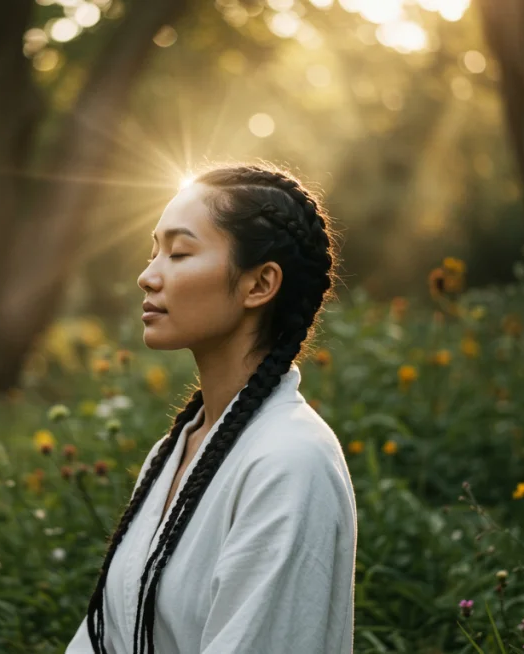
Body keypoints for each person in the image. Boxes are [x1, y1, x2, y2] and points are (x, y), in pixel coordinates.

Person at [64, 163, 357, 654]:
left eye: (179, 253)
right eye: (153, 250)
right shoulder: (172, 453)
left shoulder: (290, 462)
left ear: (259, 285)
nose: (147, 276)